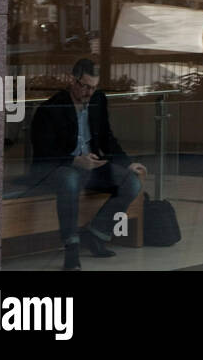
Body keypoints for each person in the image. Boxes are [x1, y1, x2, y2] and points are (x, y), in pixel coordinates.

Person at [29, 58, 146, 269]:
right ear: (72, 80)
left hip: (91, 166)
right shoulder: (52, 108)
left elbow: (107, 138)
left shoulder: (97, 101)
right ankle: (71, 247)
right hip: (59, 168)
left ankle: (97, 234)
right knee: (70, 179)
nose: (89, 93)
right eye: (85, 86)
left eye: (93, 87)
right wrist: (75, 160)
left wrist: (127, 163)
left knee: (132, 183)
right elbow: (44, 152)